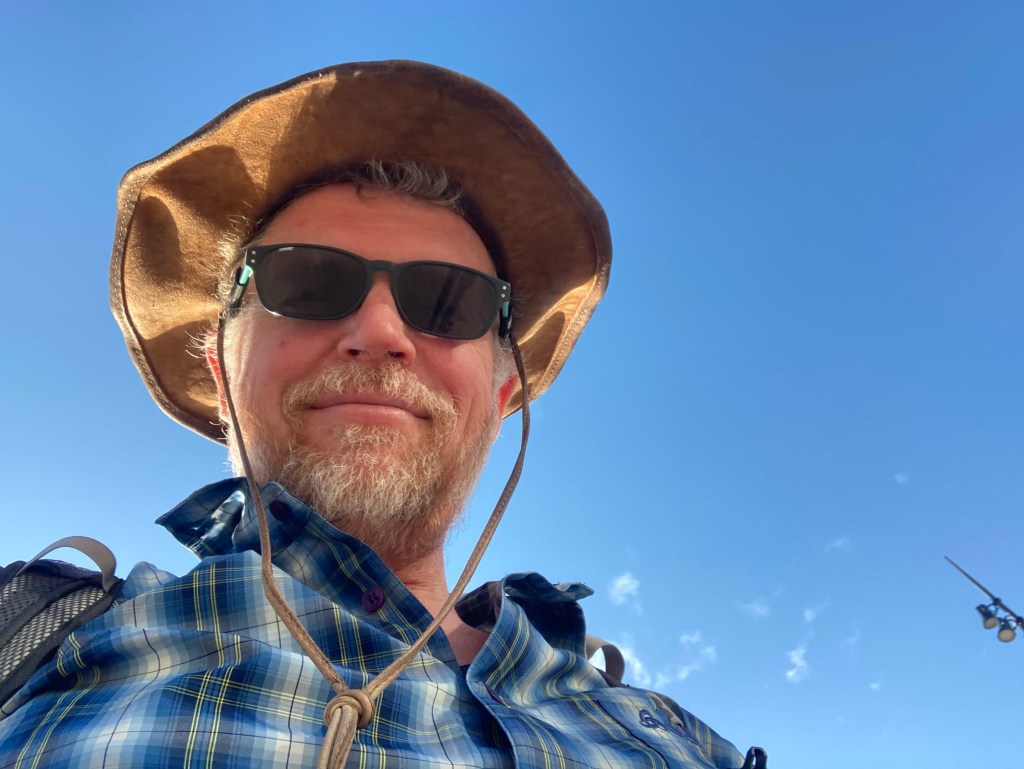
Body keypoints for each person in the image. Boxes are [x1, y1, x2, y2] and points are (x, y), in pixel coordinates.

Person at [0, 61, 757, 768]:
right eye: (306, 283)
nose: (381, 331)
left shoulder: (677, 741)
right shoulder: (31, 641)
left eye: (448, 302)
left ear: (499, 403)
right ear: (222, 376)